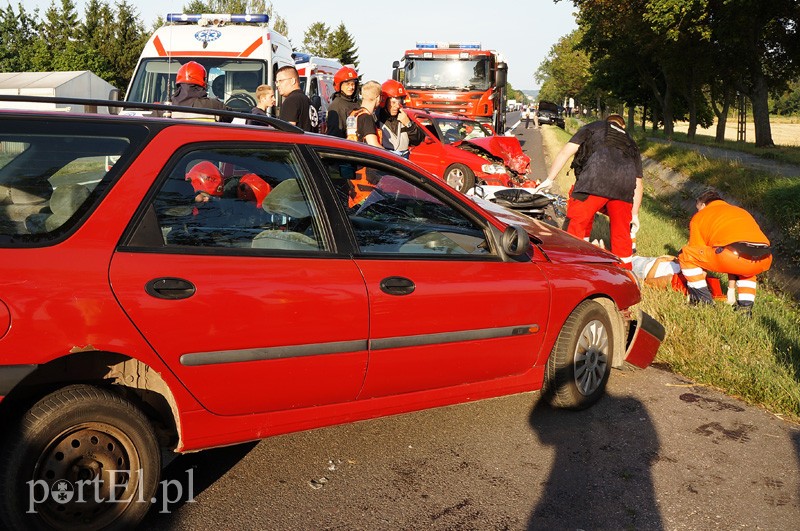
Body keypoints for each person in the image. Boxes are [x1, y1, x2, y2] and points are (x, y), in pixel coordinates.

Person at [538, 114, 643, 269]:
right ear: (623, 127)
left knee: (575, 225)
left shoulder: (594, 127)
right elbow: (639, 183)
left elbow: (566, 152)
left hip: (594, 181)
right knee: (622, 235)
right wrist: (634, 214)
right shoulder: (631, 142)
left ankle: (571, 266)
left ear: (606, 122)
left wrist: (550, 179)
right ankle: (626, 275)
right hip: (624, 188)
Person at [678, 189, 772, 314]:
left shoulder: (700, 216)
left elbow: (697, 253)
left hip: (731, 255)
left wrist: (696, 285)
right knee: (747, 270)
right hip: (763, 257)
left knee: (686, 254)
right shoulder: (740, 211)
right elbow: (738, 246)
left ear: (704, 205)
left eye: (698, 208)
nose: (698, 211)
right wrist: (730, 289)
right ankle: (745, 308)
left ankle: (702, 300)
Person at [376, 80, 424, 158]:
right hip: (384, 161)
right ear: (384, 101)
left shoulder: (404, 116)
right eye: (393, 102)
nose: (397, 106)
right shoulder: (376, 118)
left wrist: (409, 124)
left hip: (403, 162)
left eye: (399, 102)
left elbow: (417, 141)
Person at [275, 65, 312, 131]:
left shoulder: (291, 100)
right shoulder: (306, 99)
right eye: (276, 82)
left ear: (292, 81)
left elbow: (287, 130)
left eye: (280, 81)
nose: (277, 85)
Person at [327, 66, 360, 138]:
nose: (351, 87)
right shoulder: (337, 106)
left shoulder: (354, 102)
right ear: (339, 85)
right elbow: (335, 135)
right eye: (347, 84)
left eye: (353, 84)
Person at [346, 81, 382, 147]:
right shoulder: (367, 118)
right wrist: (390, 154)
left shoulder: (354, 114)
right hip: (364, 156)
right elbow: (374, 145)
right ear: (378, 98)